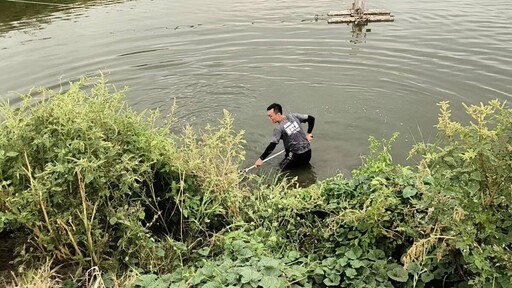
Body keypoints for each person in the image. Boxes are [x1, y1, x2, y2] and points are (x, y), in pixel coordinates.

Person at [255, 103, 315, 170]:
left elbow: (272, 145)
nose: (269, 118)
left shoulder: (278, 129)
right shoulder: (293, 116)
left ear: (278, 114)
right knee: (304, 169)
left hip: (295, 155)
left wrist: (261, 159)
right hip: (308, 153)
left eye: (270, 116)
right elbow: (311, 119)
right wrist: (309, 133)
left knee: (280, 172)